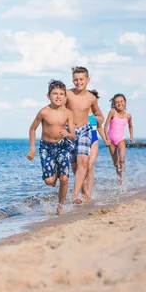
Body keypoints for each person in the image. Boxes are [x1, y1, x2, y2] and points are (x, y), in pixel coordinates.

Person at [26, 80, 75, 215]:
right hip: (46, 148)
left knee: (64, 179)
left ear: (65, 97)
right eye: (54, 93)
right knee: (49, 181)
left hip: (62, 146)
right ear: (48, 96)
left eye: (61, 94)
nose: (58, 96)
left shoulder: (68, 113)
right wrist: (32, 148)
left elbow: (73, 136)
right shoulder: (44, 112)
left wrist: (68, 134)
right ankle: (55, 175)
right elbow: (32, 128)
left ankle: (60, 205)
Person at [65, 66, 105, 204]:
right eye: (75, 80)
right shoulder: (67, 94)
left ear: (88, 80)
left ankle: (75, 195)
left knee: (84, 161)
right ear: (72, 80)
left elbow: (99, 114)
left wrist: (99, 119)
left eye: (81, 79)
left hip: (85, 130)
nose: (78, 82)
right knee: (75, 166)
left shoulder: (91, 98)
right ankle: (82, 190)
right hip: (69, 131)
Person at [84, 90, 110, 197]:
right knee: (83, 166)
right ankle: (84, 190)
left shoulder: (96, 114)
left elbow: (99, 127)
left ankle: (88, 192)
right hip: (82, 140)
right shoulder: (80, 112)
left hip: (94, 139)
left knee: (90, 165)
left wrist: (105, 139)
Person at [104, 93, 135, 179]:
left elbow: (130, 126)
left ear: (125, 103)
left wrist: (131, 136)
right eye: (117, 102)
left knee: (122, 159)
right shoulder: (112, 112)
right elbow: (106, 126)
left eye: (121, 101)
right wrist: (106, 139)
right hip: (111, 141)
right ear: (114, 104)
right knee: (116, 163)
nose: (119, 103)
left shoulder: (128, 116)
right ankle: (119, 176)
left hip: (121, 139)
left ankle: (123, 180)